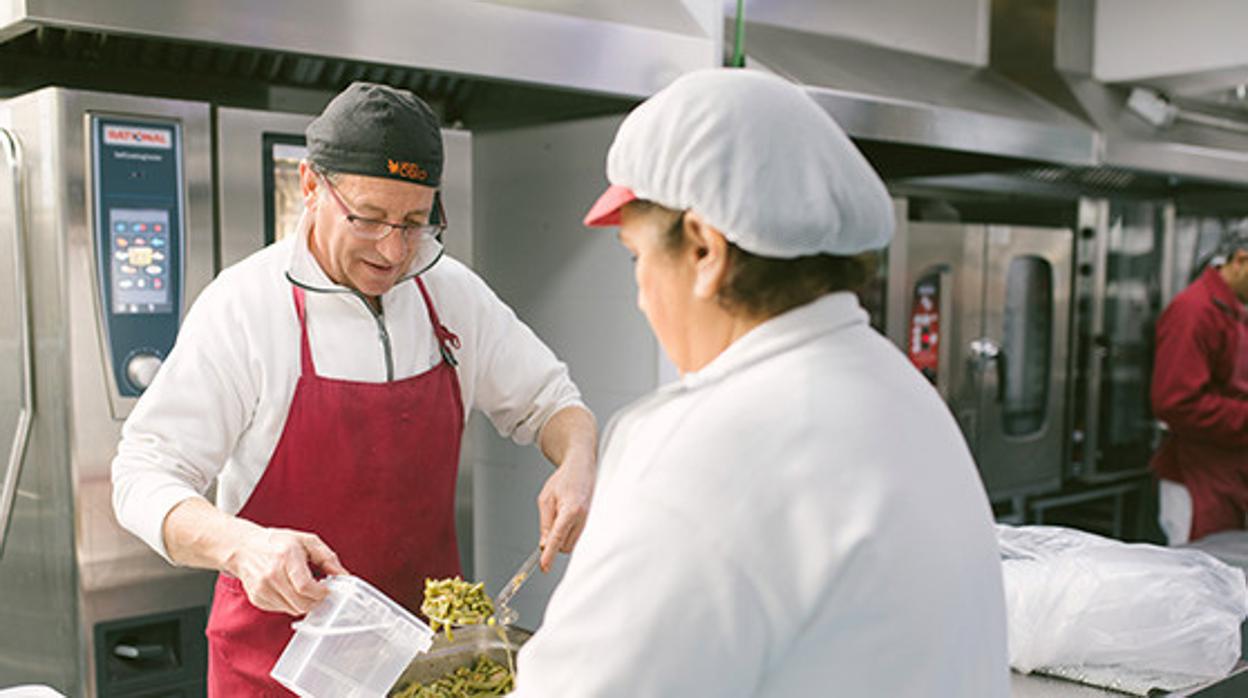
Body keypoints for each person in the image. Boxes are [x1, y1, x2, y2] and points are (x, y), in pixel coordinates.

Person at [510, 69, 1008, 696]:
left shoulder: (703, 448)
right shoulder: (903, 394)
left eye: (638, 259)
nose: (639, 297)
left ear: (704, 251)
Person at [110, 82, 598, 694]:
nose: (393, 250)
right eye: (368, 219)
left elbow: (555, 403)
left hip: (425, 667)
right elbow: (140, 474)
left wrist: (577, 464)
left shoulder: (450, 293)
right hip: (274, 671)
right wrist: (241, 546)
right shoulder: (244, 307)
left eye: (415, 223)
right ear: (312, 186)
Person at [1152, 229, 1248, 545]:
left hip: (1228, 473)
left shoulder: (1234, 309)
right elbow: (1177, 402)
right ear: (1241, 261)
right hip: (1198, 476)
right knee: (1199, 578)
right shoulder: (1194, 311)